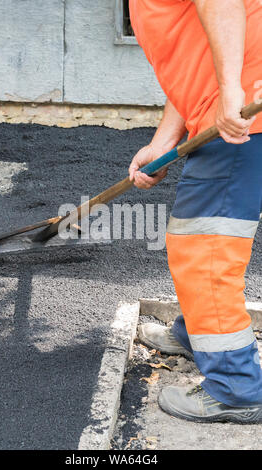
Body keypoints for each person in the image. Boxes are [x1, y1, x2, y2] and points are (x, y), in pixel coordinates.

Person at [128, 0, 262, 423]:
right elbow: (193, 62)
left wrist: (230, 92)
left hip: (240, 117)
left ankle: (236, 388)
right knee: (200, 242)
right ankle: (196, 334)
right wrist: (165, 142)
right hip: (226, 107)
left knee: (204, 251)